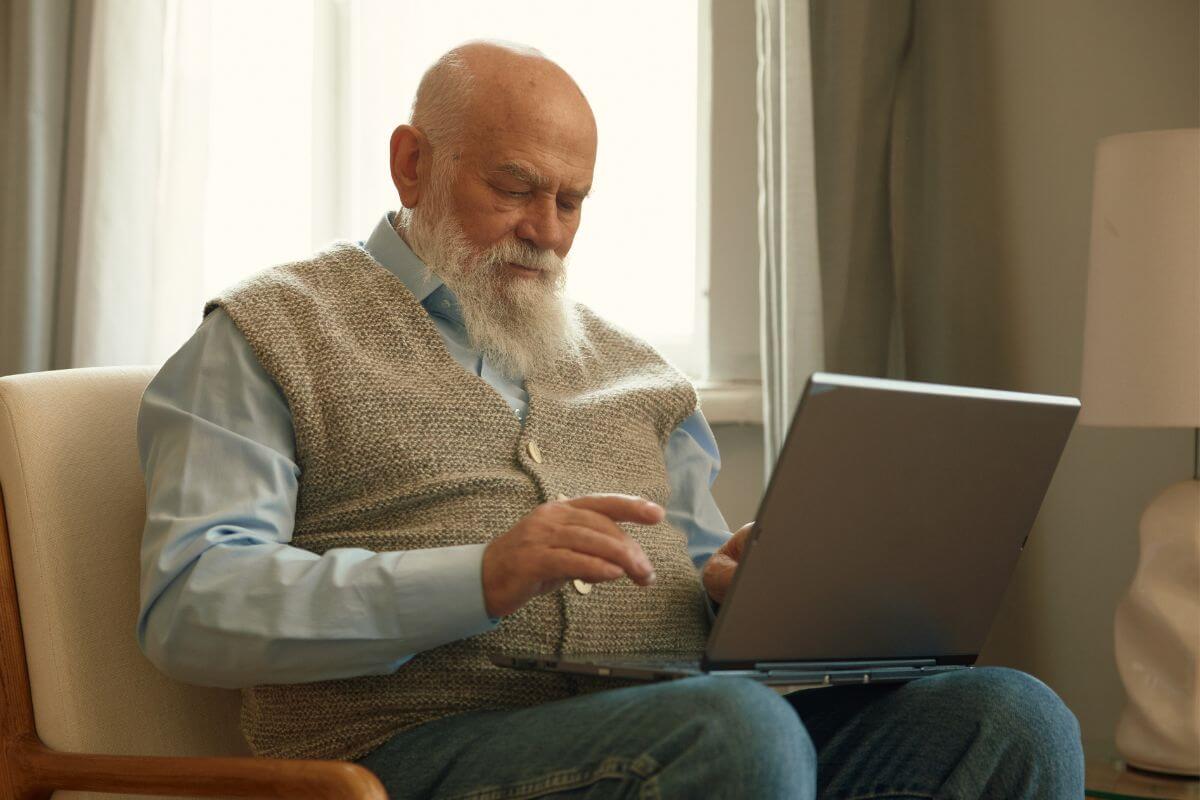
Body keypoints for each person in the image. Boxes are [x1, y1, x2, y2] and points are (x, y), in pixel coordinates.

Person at [137, 40, 1084, 798]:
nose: (546, 230)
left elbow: (698, 588)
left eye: (571, 201)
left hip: (675, 727)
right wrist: (477, 577)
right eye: (513, 186)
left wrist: (732, 591)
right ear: (412, 161)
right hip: (402, 756)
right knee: (731, 733)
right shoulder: (271, 333)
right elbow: (192, 607)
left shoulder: (638, 372)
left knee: (1010, 713)